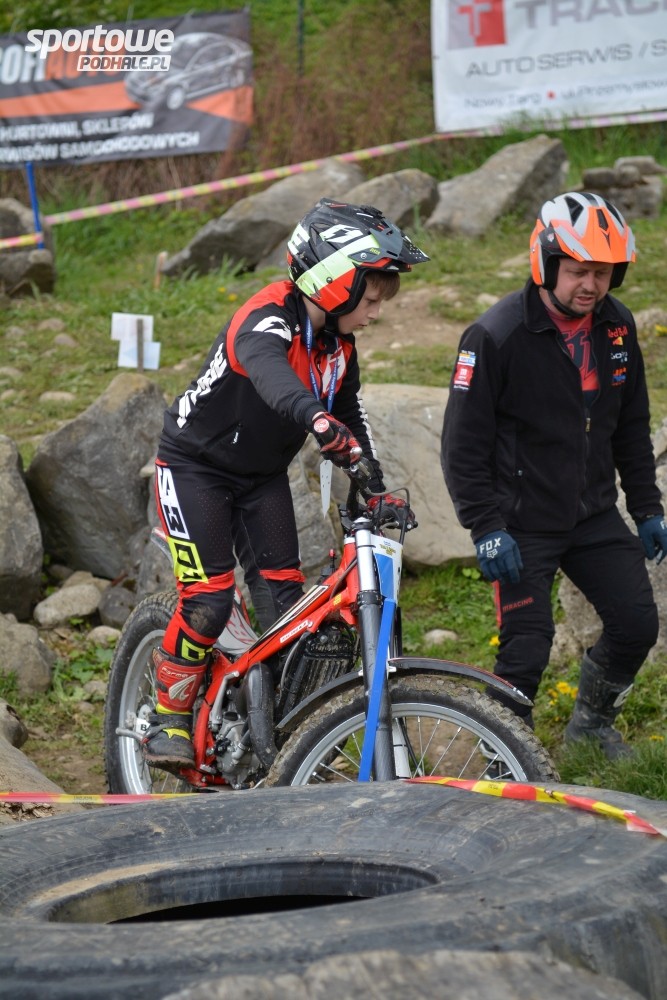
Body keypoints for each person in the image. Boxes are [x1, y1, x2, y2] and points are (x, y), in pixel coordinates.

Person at [143, 197, 429, 772]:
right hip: (194, 468)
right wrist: (315, 420)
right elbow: (272, 377)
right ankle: (167, 716)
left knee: (286, 609)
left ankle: (269, 729)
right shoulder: (265, 316)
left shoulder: (338, 345)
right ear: (334, 281)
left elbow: (349, 411)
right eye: (372, 298)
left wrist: (372, 483)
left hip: (260, 478)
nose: (376, 312)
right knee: (209, 601)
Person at [441, 191, 667, 759]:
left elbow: (630, 425)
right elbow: (462, 445)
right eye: (577, 271)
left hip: (592, 513)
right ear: (544, 262)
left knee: (637, 623)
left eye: (602, 273)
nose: (590, 285)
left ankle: (591, 726)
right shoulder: (495, 335)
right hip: (521, 523)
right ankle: (503, 756)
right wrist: (485, 526)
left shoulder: (616, 327)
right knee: (526, 650)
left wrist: (647, 507)